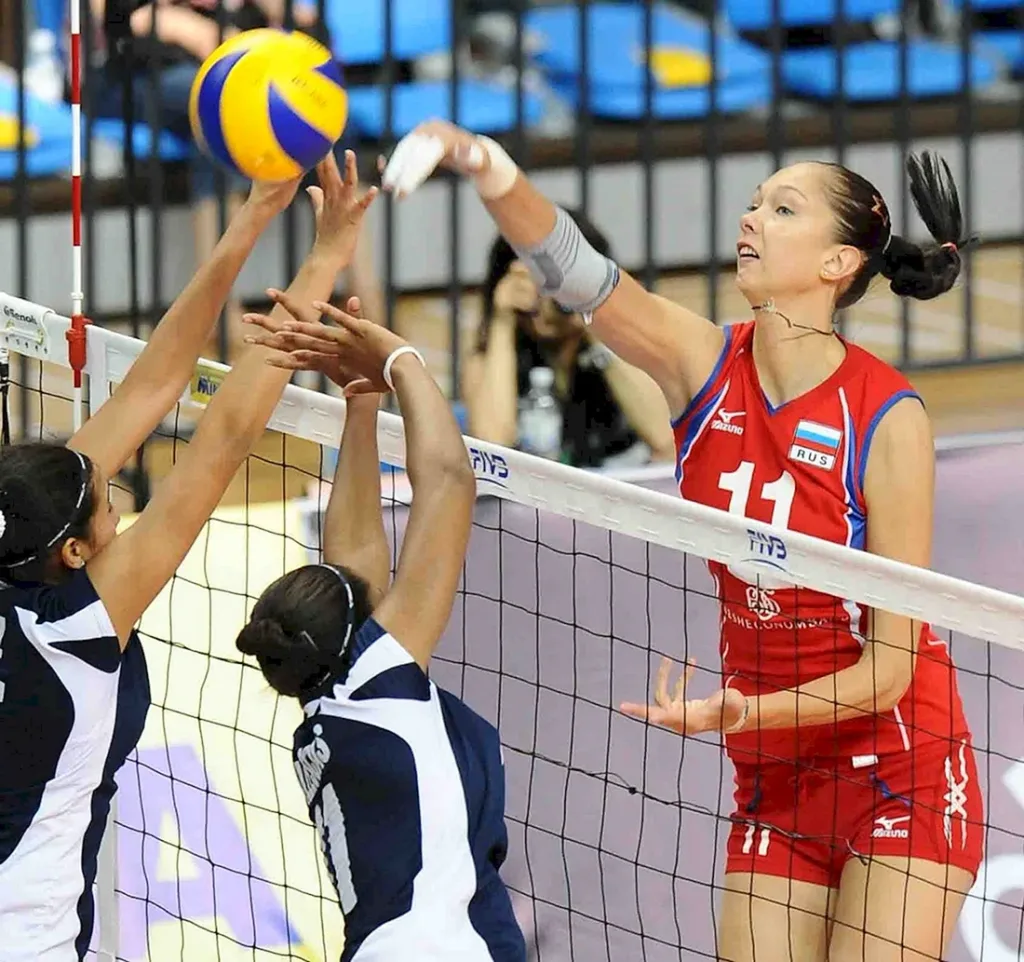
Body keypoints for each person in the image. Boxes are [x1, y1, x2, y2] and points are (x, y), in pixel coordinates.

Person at [380, 123, 981, 962]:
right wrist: (488, 165)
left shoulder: (887, 416)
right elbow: (581, 276)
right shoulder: (702, 364)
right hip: (778, 771)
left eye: (782, 207)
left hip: (898, 766)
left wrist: (740, 712)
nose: (752, 218)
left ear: (838, 264)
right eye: (752, 202)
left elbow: (889, 670)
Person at [0, 150, 374, 961]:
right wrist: (324, 257)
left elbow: (149, 386)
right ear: (72, 552)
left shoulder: (22, 547)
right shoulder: (79, 625)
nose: (121, 503)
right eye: (106, 508)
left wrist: (253, 215)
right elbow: (228, 432)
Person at [235, 299, 526, 962]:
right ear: (358, 633)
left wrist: (361, 404)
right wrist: (401, 362)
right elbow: (450, 480)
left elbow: (352, 562)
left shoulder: (326, 702)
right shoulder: (381, 684)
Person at [466, 218, 674, 468]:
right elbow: (492, 449)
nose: (549, 295)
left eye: (558, 279)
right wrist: (502, 322)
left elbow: (666, 440)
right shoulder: (490, 360)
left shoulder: (625, 347)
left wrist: (594, 315)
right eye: (538, 278)